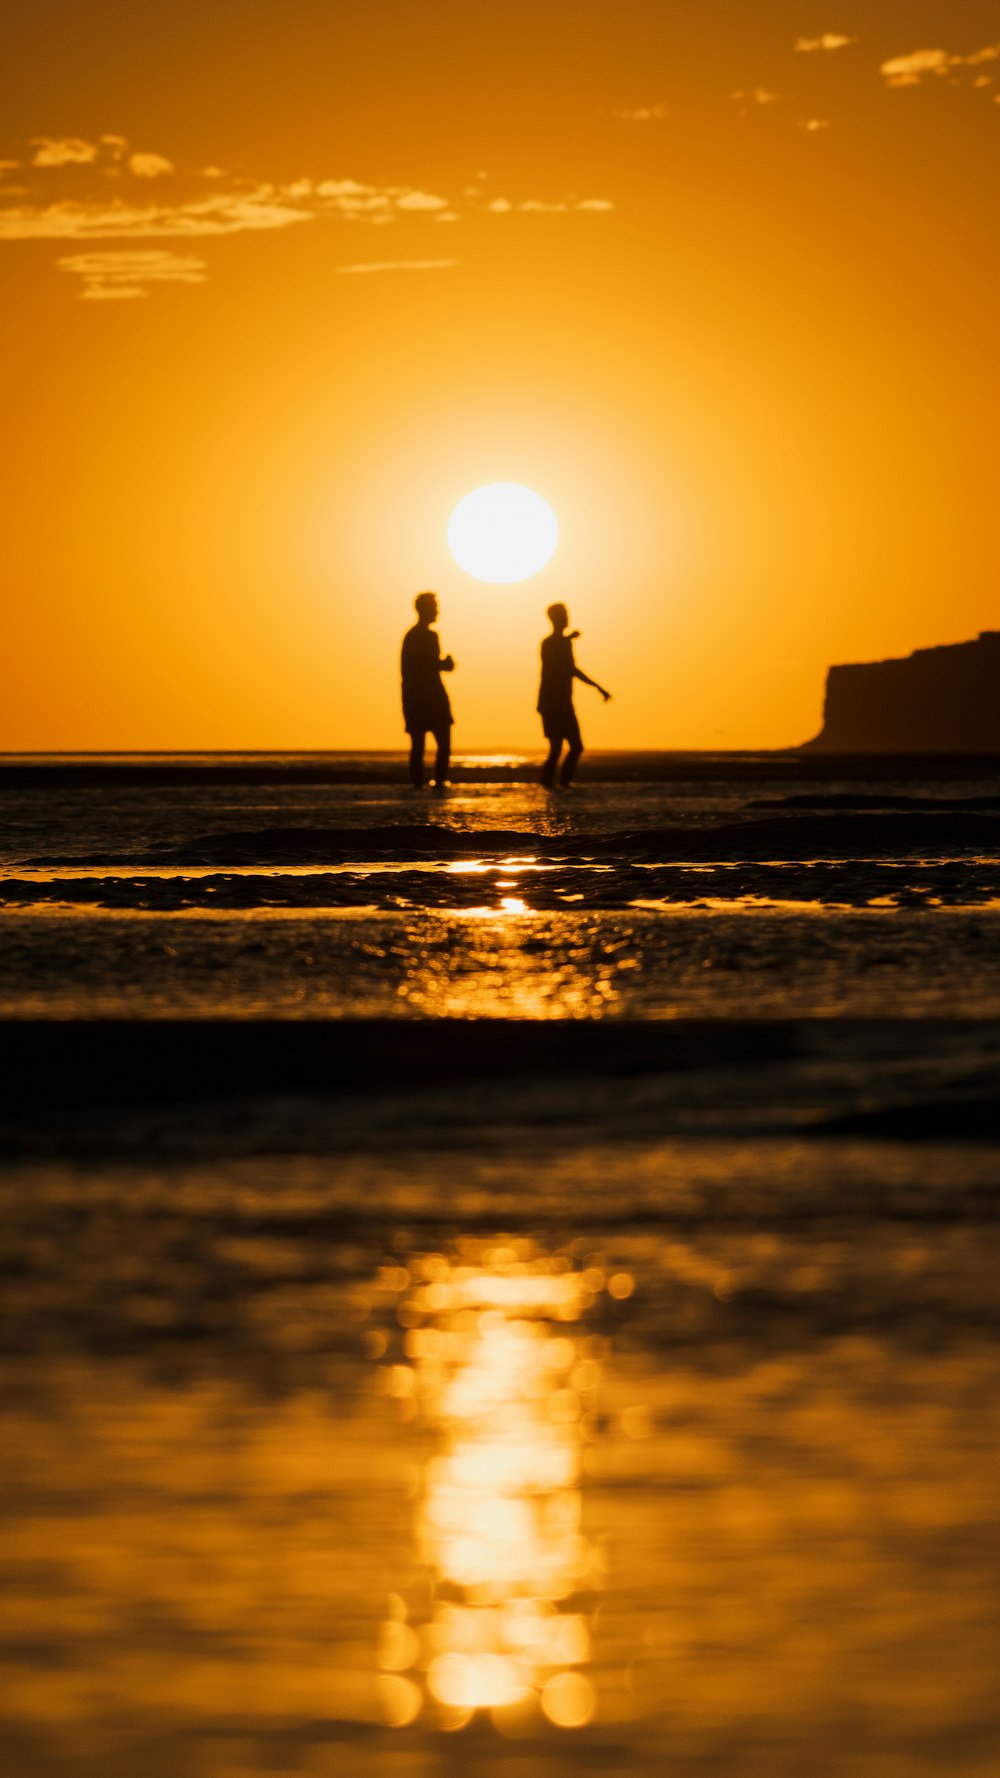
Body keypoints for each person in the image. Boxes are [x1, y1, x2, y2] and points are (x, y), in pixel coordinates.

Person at [537, 603, 611, 788]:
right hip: (552, 703)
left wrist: (567, 639)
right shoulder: (551, 643)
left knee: (572, 747)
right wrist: (598, 687)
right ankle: (555, 783)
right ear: (556, 618)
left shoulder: (562, 642)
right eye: (564, 615)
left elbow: (568, 667)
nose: (567, 618)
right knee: (559, 747)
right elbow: (569, 669)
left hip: (562, 702)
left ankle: (561, 782)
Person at [401, 591, 456, 789]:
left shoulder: (412, 636)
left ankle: (419, 783)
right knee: (441, 742)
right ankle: (438, 781)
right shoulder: (427, 636)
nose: (437, 611)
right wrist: (445, 664)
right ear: (424, 610)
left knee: (419, 744)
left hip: (416, 698)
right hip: (430, 698)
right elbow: (427, 664)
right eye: (434, 607)